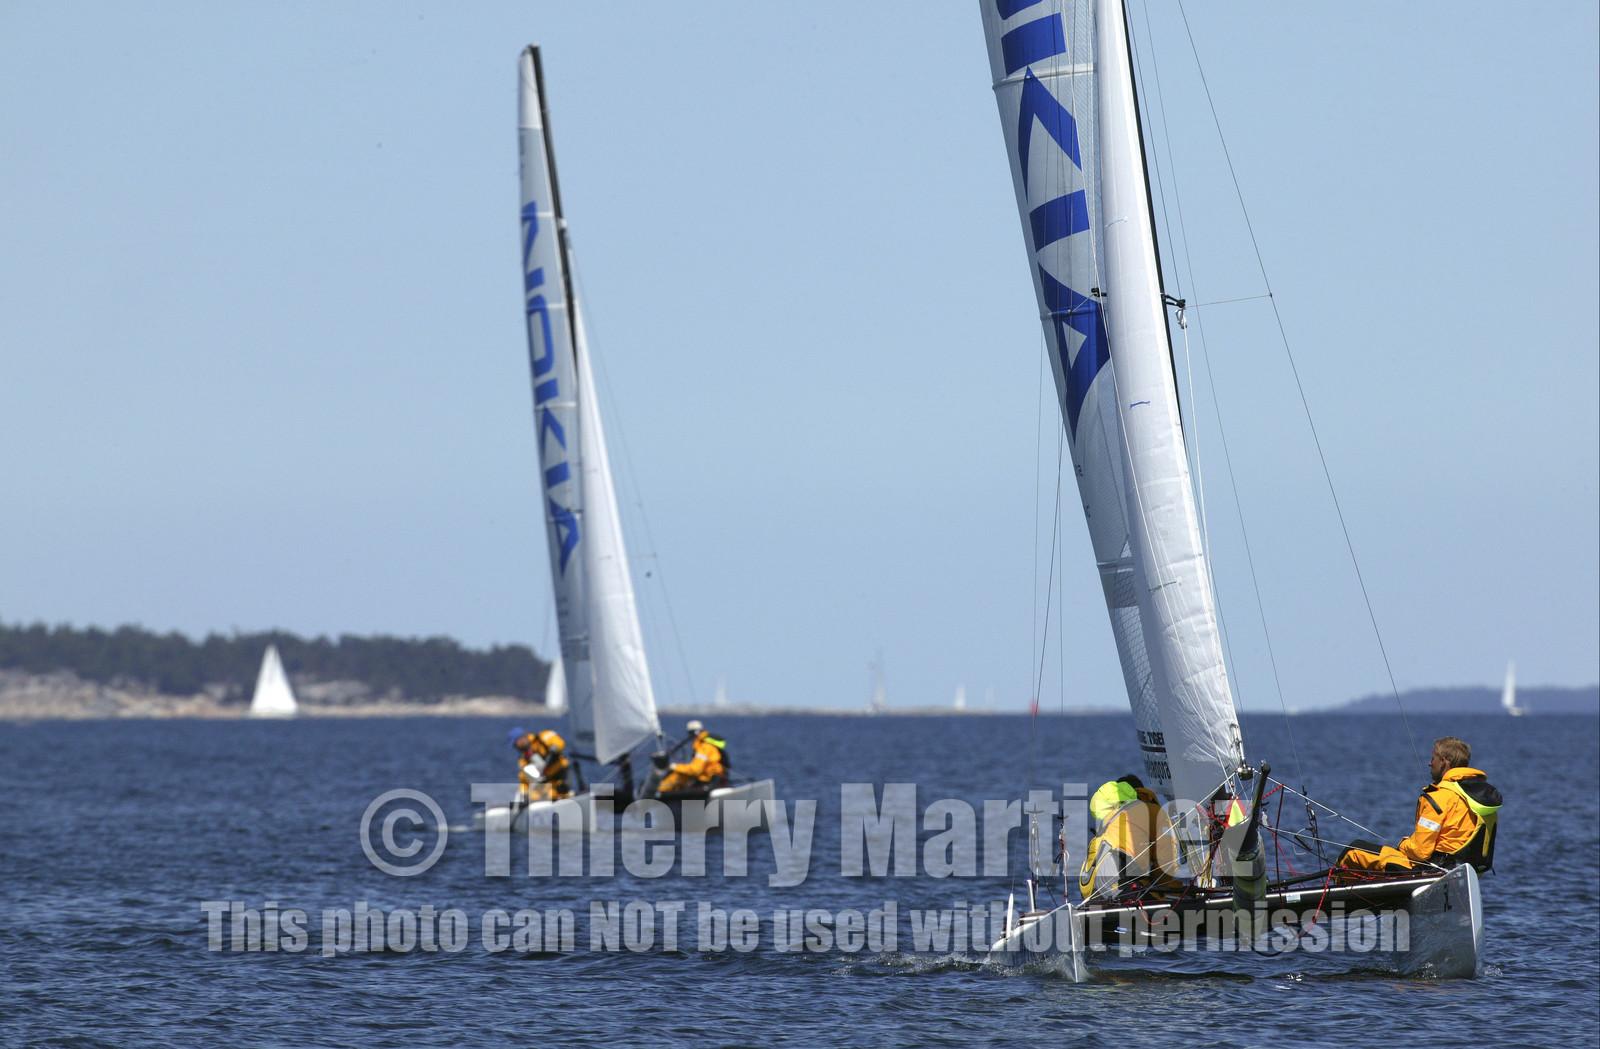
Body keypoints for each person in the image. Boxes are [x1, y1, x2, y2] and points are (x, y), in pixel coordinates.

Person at [1337, 736, 1501, 873]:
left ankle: (1336, 903)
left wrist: (1404, 844)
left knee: (1354, 850)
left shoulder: (1439, 797)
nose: (1430, 763)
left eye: (1433, 759)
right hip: (1465, 872)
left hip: (1431, 871)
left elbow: (1420, 852)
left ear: (1443, 762)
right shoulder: (1479, 798)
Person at [1079, 774, 1180, 900]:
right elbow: (1167, 862)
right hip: (1121, 888)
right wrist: (1158, 887)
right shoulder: (1154, 811)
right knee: (1163, 896)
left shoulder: (1110, 817)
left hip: (1091, 893)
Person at [655, 719, 728, 796]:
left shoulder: (704, 747)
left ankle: (656, 791)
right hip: (709, 779)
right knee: (682, 777)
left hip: (710, 781)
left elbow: (695, 770)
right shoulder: (706, 745)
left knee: (678, 775)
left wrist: (674, 767)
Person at [510, 727, 574, 801]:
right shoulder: (524, 758)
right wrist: (524, 791)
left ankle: (568, 797)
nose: (516, 747)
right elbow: (523, 777)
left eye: (516, 744)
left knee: (554, 793)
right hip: (546, 780)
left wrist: (555, 747)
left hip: (560, 773)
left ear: (521, 739)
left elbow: (559, 742)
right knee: (534, 797)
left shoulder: (542, 737)